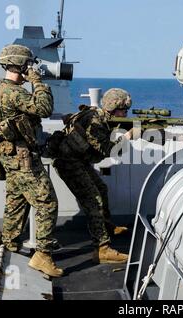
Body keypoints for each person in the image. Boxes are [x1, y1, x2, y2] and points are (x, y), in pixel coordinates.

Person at [47, 88, 138, 264]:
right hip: (69, 163)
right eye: (123, 110)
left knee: (101, 189)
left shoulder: (99, 116)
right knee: (93, 201)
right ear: (112, 108)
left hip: (78, 161)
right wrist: (128, 136)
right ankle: (102, 249)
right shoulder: (93, 121)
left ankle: (105, 226)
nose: (125, 113)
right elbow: (109, 150)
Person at [0, 44, 62, 277]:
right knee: (47, 203)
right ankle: (42, 255)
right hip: (24, 159)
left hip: (10, 156)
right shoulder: (14, 92)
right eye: (28, 65)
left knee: (16, 203)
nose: (30, 68)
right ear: (20, 65)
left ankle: (9, 247)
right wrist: (38, 81)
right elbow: (44, 108)